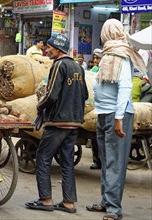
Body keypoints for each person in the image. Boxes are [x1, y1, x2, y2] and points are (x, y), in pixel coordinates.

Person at [86, 19, 147, 220]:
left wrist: (119, 118)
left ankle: (114, 209)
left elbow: (125, 88)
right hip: (104, 113)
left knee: (115, 163)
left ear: (108, 33)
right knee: (106, 161)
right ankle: (105, 202)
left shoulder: (121, 55)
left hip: (117, 115)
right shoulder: (107, 55)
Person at [25, 34, 88, 213]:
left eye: (49, 47)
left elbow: (52, 94)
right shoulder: (78, 66)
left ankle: (46, 200)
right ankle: (69, 203)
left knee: (43, 158)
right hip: (74, 122)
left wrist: (39, 107)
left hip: (58, 121)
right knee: (67, 162)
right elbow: (84, 95)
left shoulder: (59, 65)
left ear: (58, 49)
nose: (47, 50)